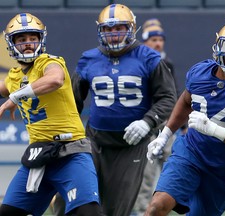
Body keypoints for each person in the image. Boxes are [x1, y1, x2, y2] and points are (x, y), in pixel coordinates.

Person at [52, 4, 177, 216]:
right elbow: (72, 101)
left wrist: (147, 121)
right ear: (101, 31)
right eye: (108, 29)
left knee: (115, 209)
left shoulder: (150, 58)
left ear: (132, 28)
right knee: (72, 199)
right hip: (94, 141)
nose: (114, 33)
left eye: (119, 27)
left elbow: (167, 97)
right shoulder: (88, 59)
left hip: (132, 147)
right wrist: (67, 135)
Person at [145, 21, 225, 216]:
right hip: (192, 152)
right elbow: (186, 101)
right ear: (218, 45)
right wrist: (165, 134)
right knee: (157, 207)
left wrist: (215, 130)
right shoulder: (201, 73)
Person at [0, 13, 103, 216]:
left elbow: (54, 79)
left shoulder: (49, 62)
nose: (28, 43)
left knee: (88, 214)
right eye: (21, 39)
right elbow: (4, 88)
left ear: (41, 40)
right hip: (39, 157)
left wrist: (16, 97)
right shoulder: (14, 77)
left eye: (33, 38)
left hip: (71, 153)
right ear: (11, 44)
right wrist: (13, 94)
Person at [133, 18, 185, 216]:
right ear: (145, 41)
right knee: (146, 172)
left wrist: (183, 122)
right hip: (147, 123)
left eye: (160, 39)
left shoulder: (166, 62)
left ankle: (174, 205)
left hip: (167, 124)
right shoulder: (138, 62)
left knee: (175, 166)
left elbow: (175, 93)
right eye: (153, 39)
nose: (157, 43)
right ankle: (141, 210)